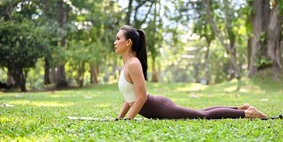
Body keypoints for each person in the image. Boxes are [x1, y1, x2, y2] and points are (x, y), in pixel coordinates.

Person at [114, 25, 267, 120]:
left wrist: (129, 120)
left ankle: (248, 113)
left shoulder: (133, 64)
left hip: (159, 107)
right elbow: (130, 97)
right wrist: (119, 118)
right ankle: (241, 108)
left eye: (118, 38)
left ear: (128, 42)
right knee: (198, 112)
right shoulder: (127, 64)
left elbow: (141, 97)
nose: (115, 42)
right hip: (155, 108)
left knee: (202, 116)